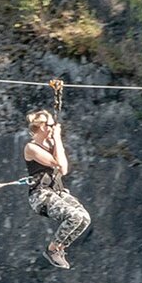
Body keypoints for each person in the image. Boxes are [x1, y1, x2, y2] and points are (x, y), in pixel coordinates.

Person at [23, 109, 91, 269]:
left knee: (84, 218)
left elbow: (64, 169)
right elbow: (60, 165)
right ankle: (52, 249)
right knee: (74, 216)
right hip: (41, 196)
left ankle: (60, 248)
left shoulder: (52, 143)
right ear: (41, 127)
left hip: (57, 191)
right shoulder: (31, 148)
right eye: (50, 125)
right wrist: (58, 138)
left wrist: (55, 141)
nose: (53, 128)